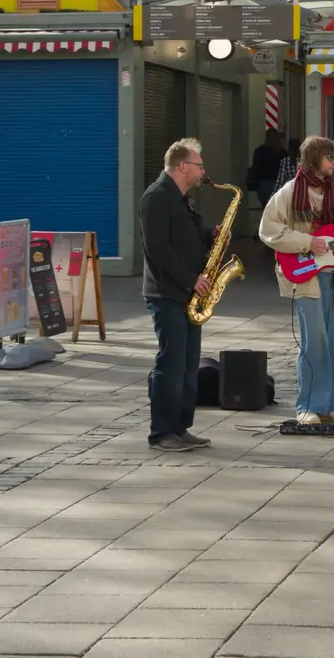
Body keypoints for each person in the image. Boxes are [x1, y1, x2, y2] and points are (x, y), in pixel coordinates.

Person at [259, 136, 334, 425]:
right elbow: (269, 230)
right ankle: (309, 406)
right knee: (314, 342)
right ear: (314, 158)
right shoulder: (289, 193)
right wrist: (307, 242)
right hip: (305, 279)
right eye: (330, 157)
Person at [138, 138, 215, 452]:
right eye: (199, 166)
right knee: (170, 363)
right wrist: (190, 280)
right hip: (167, 293)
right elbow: (158, 250)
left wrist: (212, 235)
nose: (203, 172)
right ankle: (161, 432)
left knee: (188, 363)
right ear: (182, 166)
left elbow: (188, 238)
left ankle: (180, 427)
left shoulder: (183, 199)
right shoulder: (155, 198)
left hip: (188, 295)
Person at [246, 128, 287, 207]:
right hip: (278, 184)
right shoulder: (281, 153)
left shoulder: (259, 151)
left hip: (263, 184)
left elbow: (256, 167)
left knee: (267, 206)